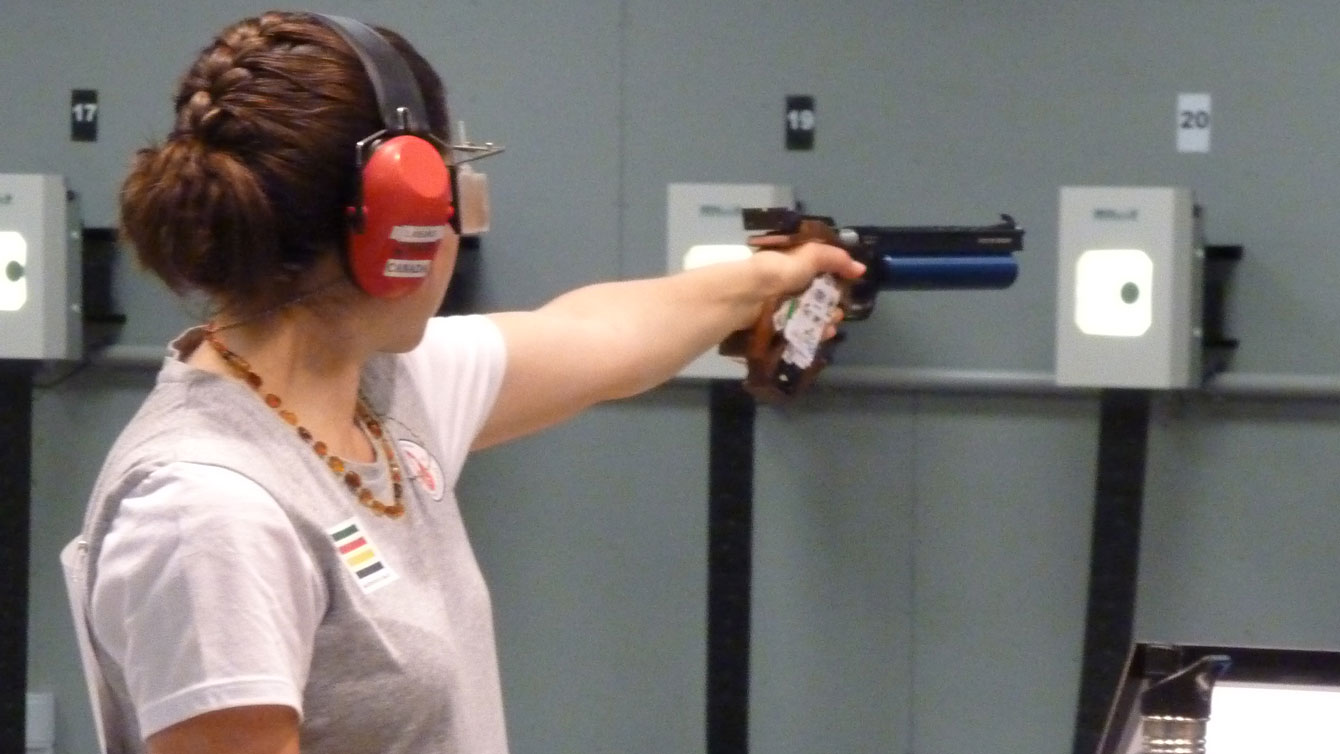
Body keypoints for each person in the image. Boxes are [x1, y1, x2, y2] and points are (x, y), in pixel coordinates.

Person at [77, 9, 864, 754]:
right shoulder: (208, 508)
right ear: (401, 214)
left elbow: (596, 337)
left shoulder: (375, 393)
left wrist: (774, 278)